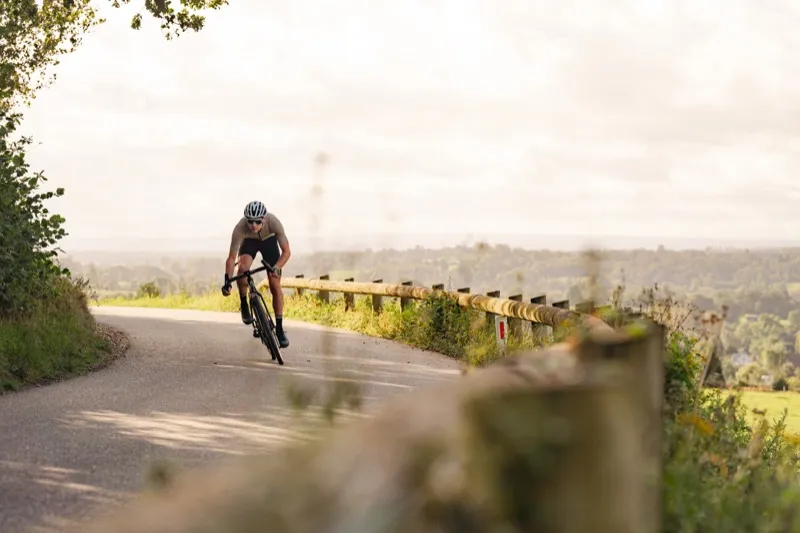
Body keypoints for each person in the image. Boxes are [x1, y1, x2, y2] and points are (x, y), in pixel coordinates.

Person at [221, 200, 291, 348]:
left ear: (264, 219)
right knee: (242, 269)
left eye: (257, 221)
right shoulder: (240, 228)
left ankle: (279, 328)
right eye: (250, 221)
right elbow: (231, 258)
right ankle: (244, 302)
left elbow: (286, 252)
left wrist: (276, 268)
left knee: (274, 283)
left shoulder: (274, 222)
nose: (253, 225)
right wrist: (227, 280)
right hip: (249, 242)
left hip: (269, 241)